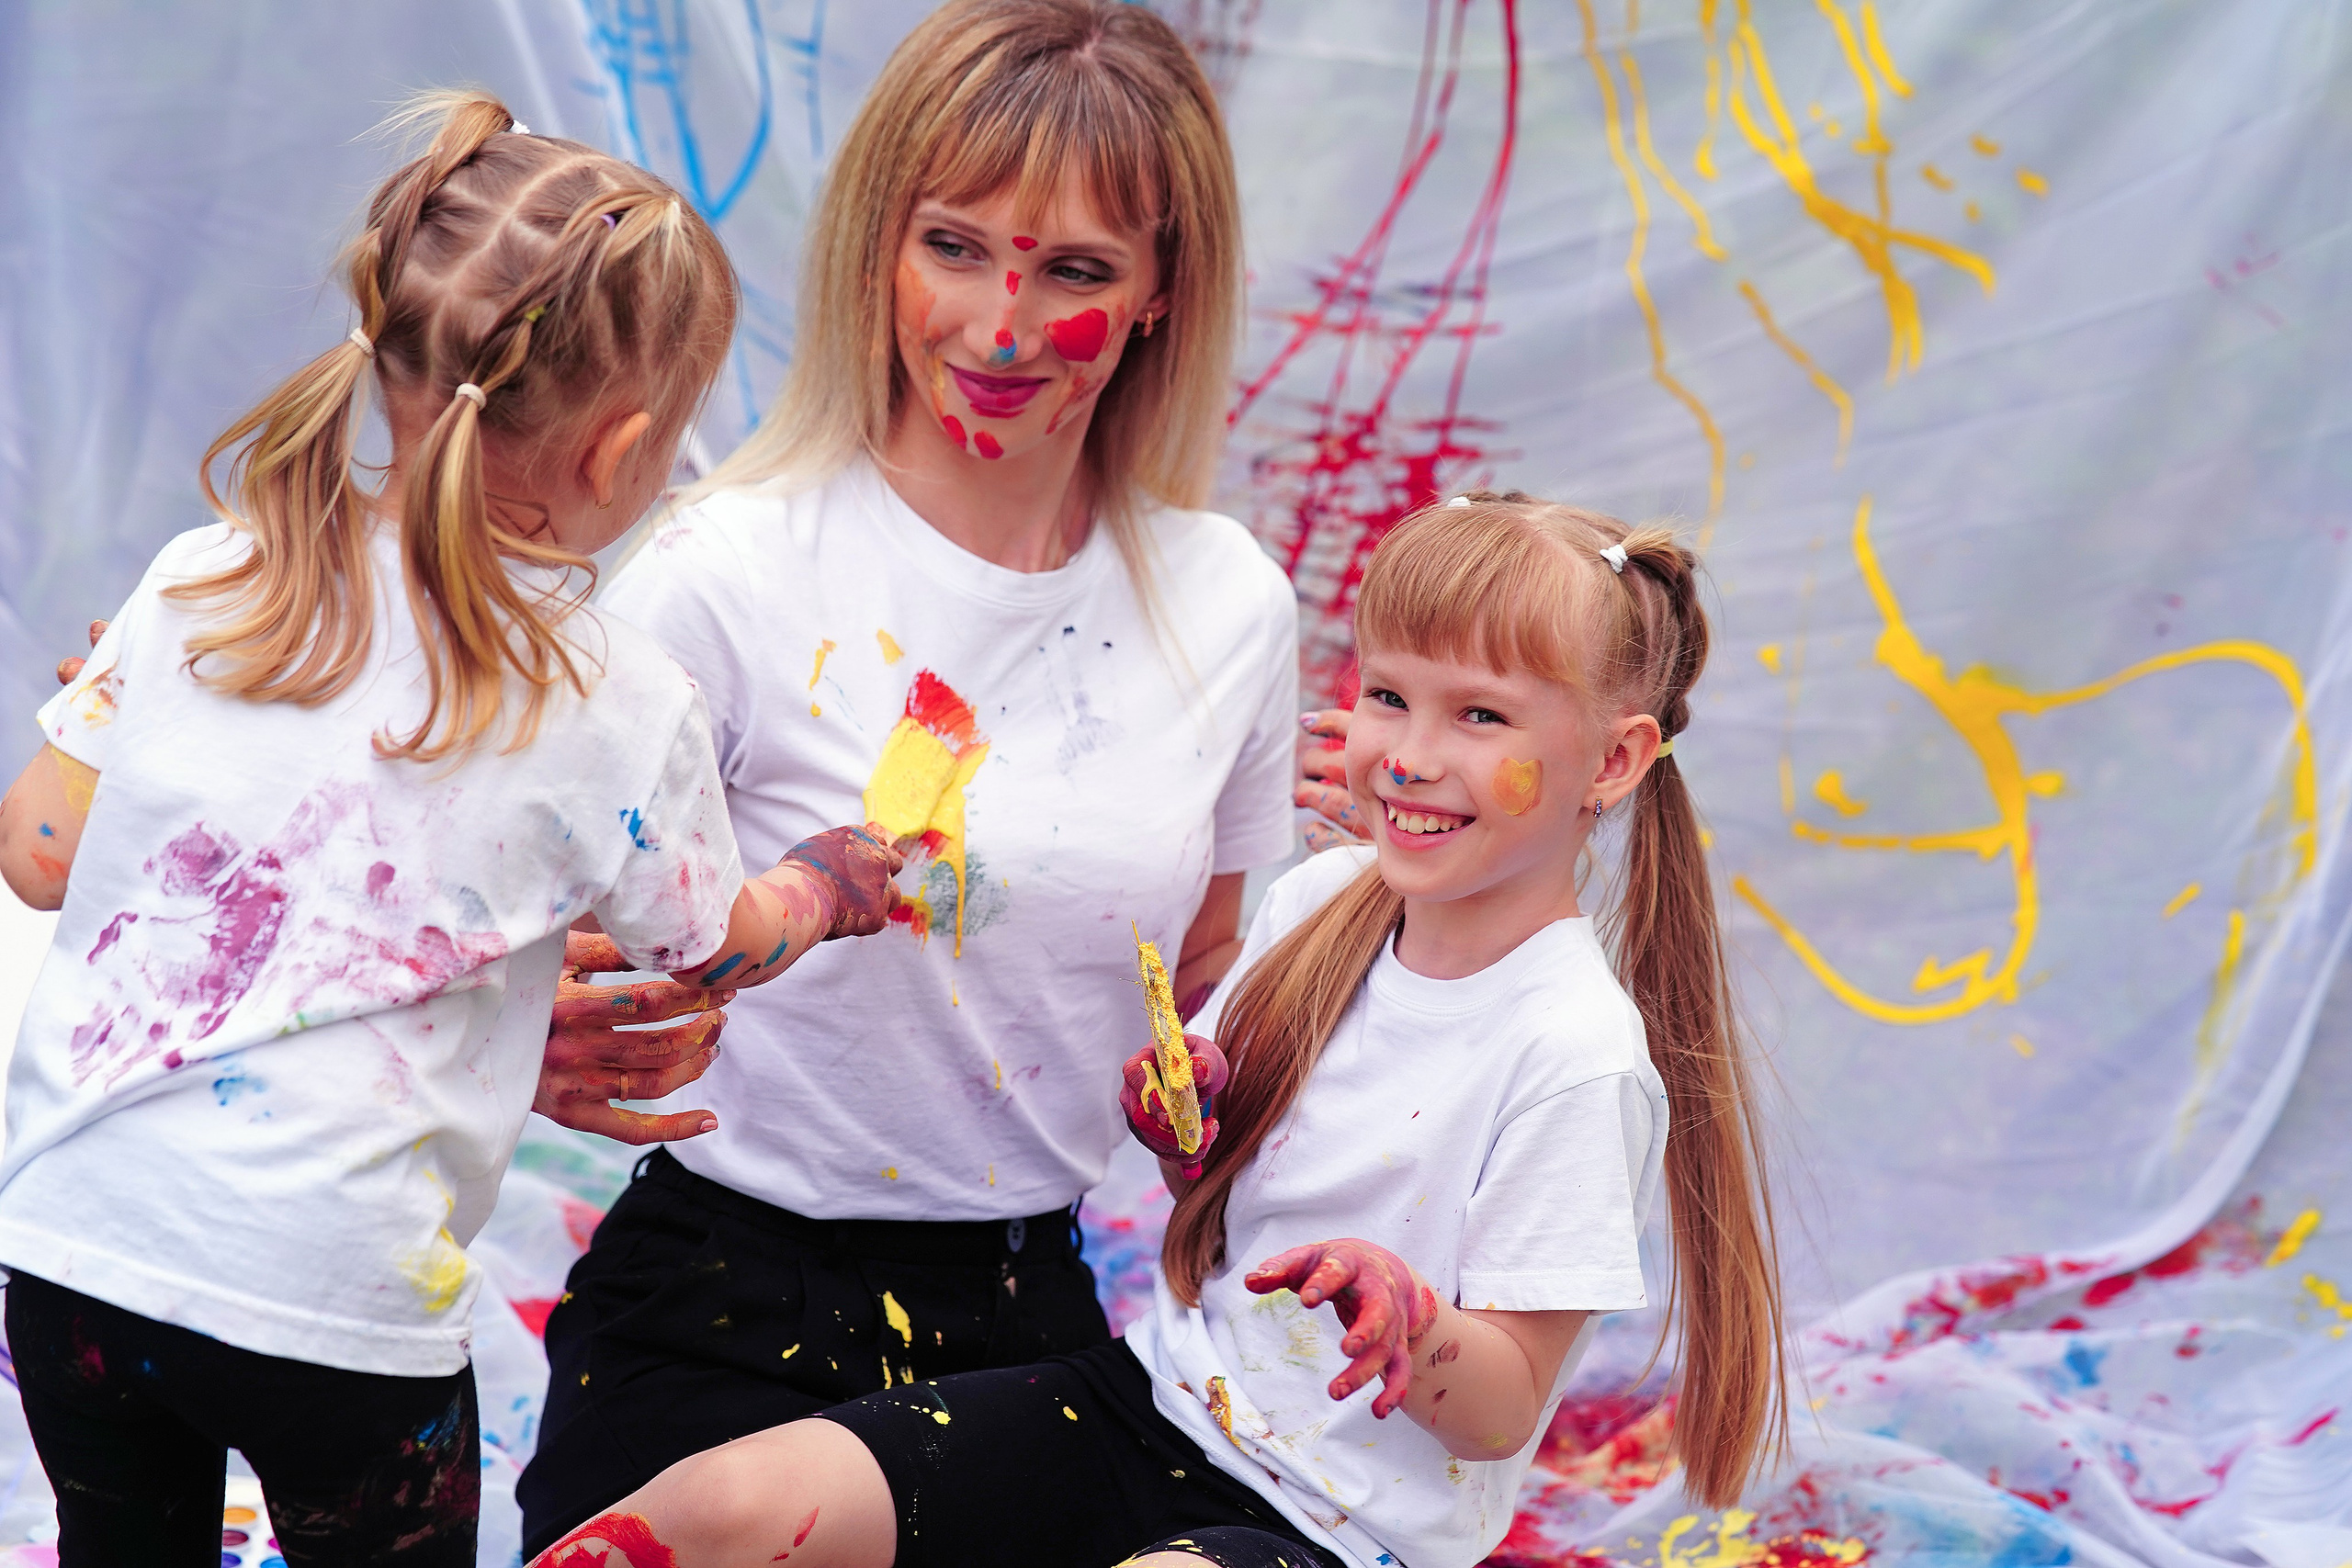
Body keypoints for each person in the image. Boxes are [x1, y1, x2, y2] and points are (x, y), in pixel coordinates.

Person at [521, 492, 1789, 1568]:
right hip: (1153, 1404)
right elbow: (1217, 1152)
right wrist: (1183, 1105)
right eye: (1390, 696)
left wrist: (1416, 1324)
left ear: (1614, 763)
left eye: (1480, 718)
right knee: (726, 1510)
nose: (1402, 754)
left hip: (1331, 1529)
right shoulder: (1324, 900)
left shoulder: (1576, 1051)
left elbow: (1503, 1407)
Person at [0, 94, 898, 1563]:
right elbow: (704, 948)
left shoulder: (204, 578)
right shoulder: (617, 696)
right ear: (620, 452)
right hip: (332, 1307)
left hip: (73, 1261)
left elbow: (39, 849)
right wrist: (826, 883)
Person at [516, 0, 1304, 1548]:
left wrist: (1209, 1081)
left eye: (1075, 269)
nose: (1001, 328)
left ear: (1159, 295)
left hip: (1033, 1325)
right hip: (714, 1308)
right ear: (880, 245)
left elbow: (1203, 974)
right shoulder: (720, 568)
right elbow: (490, 923)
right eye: (955, 246)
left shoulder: (1229, 603)